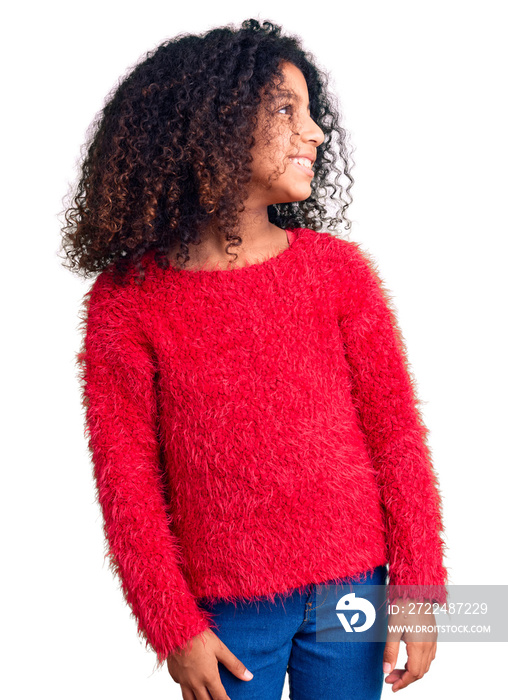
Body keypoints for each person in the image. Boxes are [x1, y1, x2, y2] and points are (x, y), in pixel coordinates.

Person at [60, 18, 449, 700]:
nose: (316, 133)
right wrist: (172, 626)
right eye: (285, 110)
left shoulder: (337, 273)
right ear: (211, 126)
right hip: (226, 611)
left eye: (311, 112)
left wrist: (417, 586)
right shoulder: (129, 302)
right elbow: (128, 484)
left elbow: (396, 436)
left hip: (352, 592)